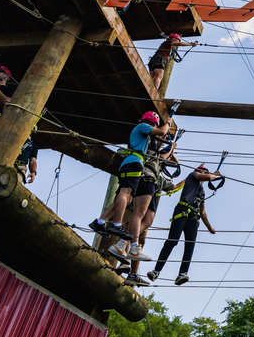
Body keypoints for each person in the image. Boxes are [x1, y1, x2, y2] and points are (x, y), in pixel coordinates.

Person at [89, 110, 171, 261]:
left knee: (127, 198)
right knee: (125, 194)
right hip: (134, 162)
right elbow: (162, 130)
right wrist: (168, 122)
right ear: (152, 122)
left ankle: (100, 222)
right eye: (155, 124)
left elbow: (160, 144)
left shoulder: (144, 135)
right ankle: (117, 224)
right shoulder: (142, 127)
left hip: (134, 162)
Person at [147, 164, 218, 286]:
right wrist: (214, 174)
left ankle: (182, 274)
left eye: (207, 172)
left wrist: (209, 227)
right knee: (172, 241)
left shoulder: (202, 191)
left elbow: (203, 211)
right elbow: (209, 177)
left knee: (190, 245)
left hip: (194, 216)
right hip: (182, 210)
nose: (206, 174)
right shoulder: (193, 175)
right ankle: (156, 270)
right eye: (204, 172)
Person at [123, 130, 177, 286]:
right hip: (144, 181)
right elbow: (162, 155)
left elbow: (174, 162)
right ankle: (124, 249)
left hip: (150, 186)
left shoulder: (159, 167)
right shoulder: (150, 146)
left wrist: (171, 148)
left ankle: (132, 271)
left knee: (142, 236)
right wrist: (169, 145)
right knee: (136, 222)